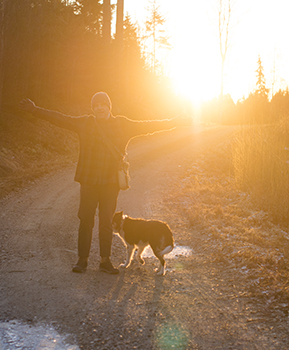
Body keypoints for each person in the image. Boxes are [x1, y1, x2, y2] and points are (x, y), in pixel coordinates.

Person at [19, 92, 189, 274]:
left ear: (109, 107)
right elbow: (60, 119)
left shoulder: (122, 124)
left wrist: (175, 121)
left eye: (103, 105)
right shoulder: (85, 123)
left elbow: (149, 126)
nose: (99, 108)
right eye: (96, 106)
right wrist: (35, 110)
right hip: (88, 180)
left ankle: (105, 261)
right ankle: (82, 260)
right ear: (93, 108)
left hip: (110, 183)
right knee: (86, 220)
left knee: (106, 222)